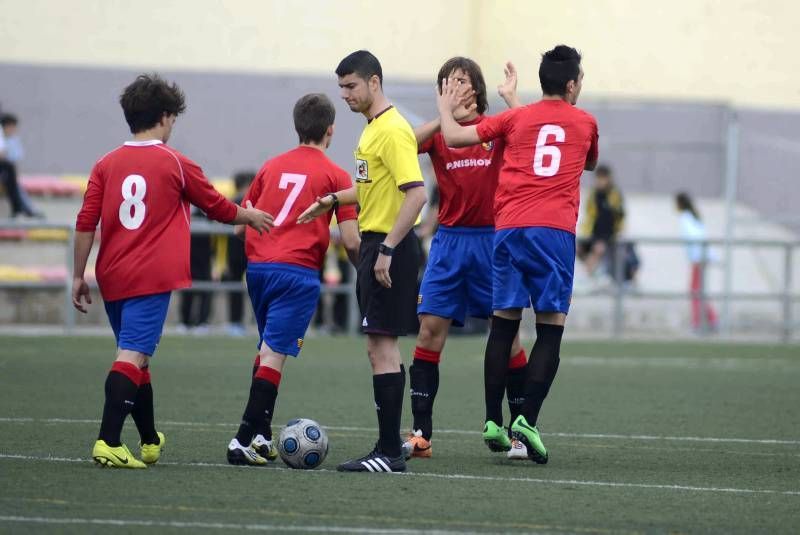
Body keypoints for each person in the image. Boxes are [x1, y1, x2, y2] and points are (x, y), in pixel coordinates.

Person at [72, 74, 274, 469]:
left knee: (137, 358)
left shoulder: (105, 163)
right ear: (165, 117)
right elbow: (216, 205)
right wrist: (249, 215)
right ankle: (108, 440)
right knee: (131, 355)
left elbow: (85, 222)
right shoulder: (175, 162)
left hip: (112, 273)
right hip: (151, 276)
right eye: (173, 118)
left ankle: (149, 440)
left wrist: (79, 275)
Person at [437, 45, 598, 464]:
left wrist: (445, 106)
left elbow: (453, 137)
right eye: (580, 81)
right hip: (553, 231)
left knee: (503, 326)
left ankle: (492, 419)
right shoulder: (585, 122)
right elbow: (588, 162)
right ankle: (525, 419)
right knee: (550, 328)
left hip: (507, 229)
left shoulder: (514, 117)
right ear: (571, 84)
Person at [299, 50, 427, 473]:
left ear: (375, 83)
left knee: (381, 349)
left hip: (388, 247)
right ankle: (390, 446)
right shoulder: (372, 130)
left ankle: (390, 451)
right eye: (341, 87)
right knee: (380, 348)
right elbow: (373, 188)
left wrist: (387, 248)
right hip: (377, 245)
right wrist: (333, 199)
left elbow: (416, 193)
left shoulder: (392, 130)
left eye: (351, 86)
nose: (345, 94)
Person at [401, 57, 531, 461]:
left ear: (475, 89)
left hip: (494, 243)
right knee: (428, 331)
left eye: (460, 81)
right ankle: (421, 434)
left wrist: (514, 98)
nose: (453, 88)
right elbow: (402, 142)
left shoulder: (495, 128)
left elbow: (528, 131)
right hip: (449, 244)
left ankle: (520, 432)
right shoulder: (439, 134)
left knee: (507, 338)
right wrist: (443, 117)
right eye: (445, 83)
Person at [226, 93, 360, 466]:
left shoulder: (270, 167)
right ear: (330, 130)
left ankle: (263, 436)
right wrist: (368, 269)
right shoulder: (337, 176)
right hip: (297, 273)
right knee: (274, 355)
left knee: (267, 348)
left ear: (297, 126)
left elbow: (241, 225)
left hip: (258, 269)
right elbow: (350, 240)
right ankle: (241, 439)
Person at [675, 192, 718, 332]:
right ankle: (712, 320)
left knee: (695, 291)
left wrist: (696, 258)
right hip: (700, 257)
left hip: (698, 258)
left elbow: (694, 238)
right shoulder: (694, 216)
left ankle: (697, 323)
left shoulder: (685, 218)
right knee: (699, 290)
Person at [222, 171, 256, 336]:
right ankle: (249, 321)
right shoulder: (250, 202)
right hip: (250, 251)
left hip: (236, 253)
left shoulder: (232, 202)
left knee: (237, 287)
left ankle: (236, 321)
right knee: (255, 287)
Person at [578, 164, 625, 278]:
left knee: (598, 250)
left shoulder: (614, 194)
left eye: (603, 178)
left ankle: (590, 275)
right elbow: (589, 214)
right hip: (592, 232)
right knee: (578, 249)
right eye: (598, 178)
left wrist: (615, 233)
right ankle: (593, 273)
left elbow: (617, 216)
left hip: (608, 234)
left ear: (609, 178)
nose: (600, 181)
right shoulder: (593, 194)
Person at [0, 113, 40, 218]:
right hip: (5, 172)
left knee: (15, 185)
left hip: (7, 173)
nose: (13, 130)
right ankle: (27, 210)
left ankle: (25, 209)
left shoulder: (13, 140)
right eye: (11, 127)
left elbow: (14, 160)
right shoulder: (3, 139)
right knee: (14, 185)